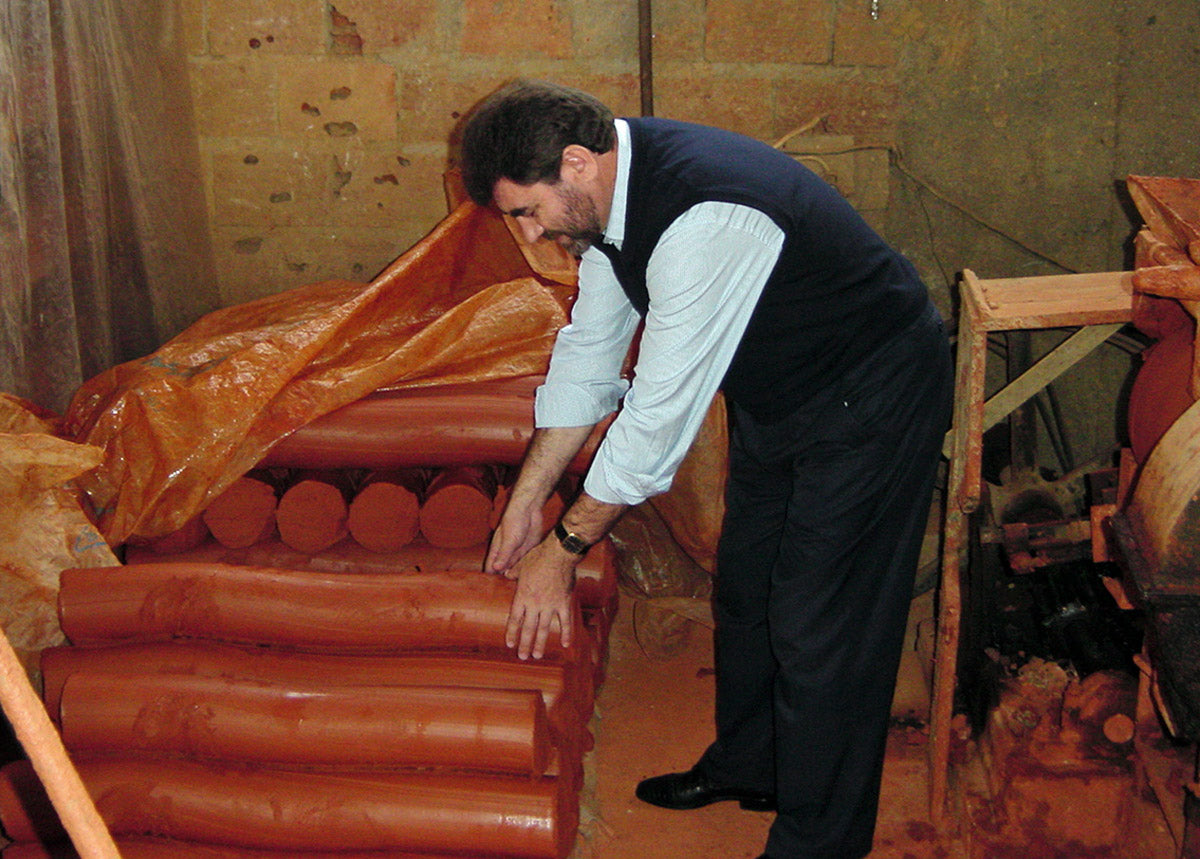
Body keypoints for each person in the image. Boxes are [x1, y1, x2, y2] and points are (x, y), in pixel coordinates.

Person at [461, 79, 952, 859]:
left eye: (528, 211)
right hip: (782, 391)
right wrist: (530, 496)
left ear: (578, 163)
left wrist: (562, 550)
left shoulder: (706, 216)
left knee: (822, 626)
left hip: (874, 390)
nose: (529, 235)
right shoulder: (608, 206)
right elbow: (589, 354)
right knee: (748, 586)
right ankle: (753, 765)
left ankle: (818, 842)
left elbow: (653, 426)